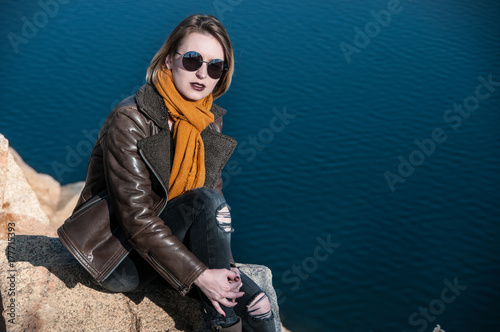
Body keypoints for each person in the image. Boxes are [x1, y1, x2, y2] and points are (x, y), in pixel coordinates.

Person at [58, 14, 276, 332]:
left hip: (170, 249)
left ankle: (223, 315)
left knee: (260, 306)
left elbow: (213, 213)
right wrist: (202, 276)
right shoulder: (131, 119)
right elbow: (136, 218)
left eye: (216, 66)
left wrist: (226, 272)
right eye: (192, 60)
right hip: (119, 253)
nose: (203, 73)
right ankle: (222, 322)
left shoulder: (207, 122)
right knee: (227, 310)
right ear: (170, 59)